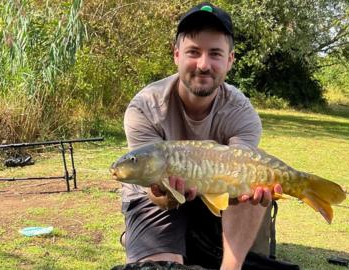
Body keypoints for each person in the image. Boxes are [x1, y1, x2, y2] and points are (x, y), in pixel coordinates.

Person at [121, 2, 282, 269]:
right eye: (193, 52)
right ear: (176, 55)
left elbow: (245, 168)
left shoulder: (242, 111)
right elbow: (152, 192)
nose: (203, 65)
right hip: (158, 198)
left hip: (220, 191)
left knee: (250, 187)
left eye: (215, 54)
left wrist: (254, 186)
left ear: (230, 60)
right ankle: (148, 240)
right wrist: (167, 192)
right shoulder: (145, 106)